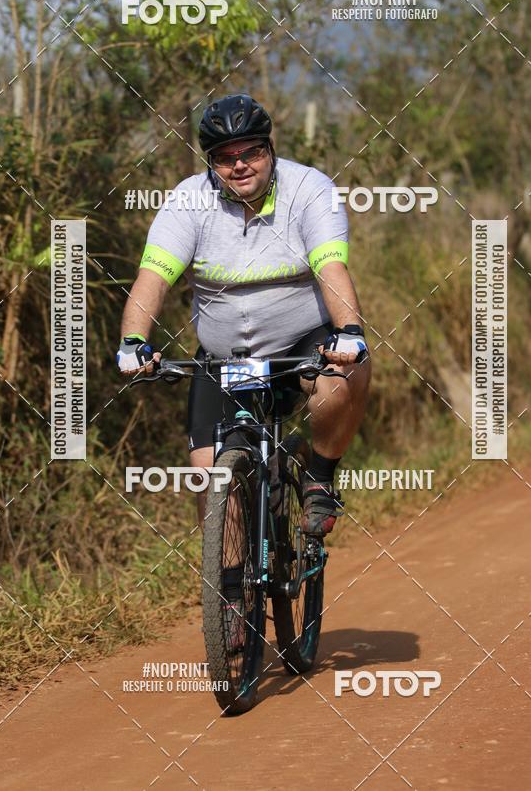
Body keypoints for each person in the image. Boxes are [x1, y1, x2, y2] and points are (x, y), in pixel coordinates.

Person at [117, 93, 371, 536]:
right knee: (208, 477)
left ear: (269, 150)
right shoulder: (187, 202)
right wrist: (133, 341)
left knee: (342, 380)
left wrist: (348, 331)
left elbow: (331, 269)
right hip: (224, 359)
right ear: (211, 163)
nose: (240, 166)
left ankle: (320, 478)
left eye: (251, 152)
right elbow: (152, 280)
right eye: (225, 158)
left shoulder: (310, 190)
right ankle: (230, 600)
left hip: (300, 347)